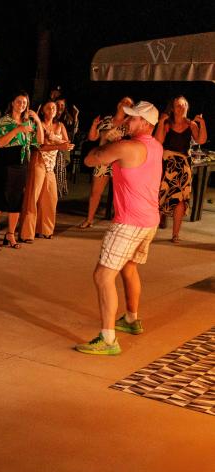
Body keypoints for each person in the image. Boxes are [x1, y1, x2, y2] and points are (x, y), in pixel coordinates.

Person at [76, 101, 163, 356]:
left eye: (133, 119)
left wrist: (107, 141)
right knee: (129, 267)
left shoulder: (127, 146)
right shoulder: (155, 146)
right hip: (149, 220)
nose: (127, 121)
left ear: (145, 124)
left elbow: (91, 160)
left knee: (103, 276)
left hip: (129, 222)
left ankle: (108, 339)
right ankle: (131, 319)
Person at [0, 92, 42, 250]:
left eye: (24, 102)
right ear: (12, 103)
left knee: (17, 199)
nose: (22, 104)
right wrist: (18, 130)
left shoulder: (28, 122)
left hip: (22, 162)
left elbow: (39, 141)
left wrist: (37, 120)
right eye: (19, 101)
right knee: (0, 196)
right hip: (5, 160)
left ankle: (10, 234)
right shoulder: (3, 121)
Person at [155, 97, 207, 243]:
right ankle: (150, 231)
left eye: (184, 105)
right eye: (178, 105)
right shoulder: (166, 123)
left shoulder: (191, 124)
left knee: (180, 201)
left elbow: (201, 140)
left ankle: (175, 234)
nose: (181, 107)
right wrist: (160, 123)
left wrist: (201, 124)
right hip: (166, 164)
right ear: (172, 108)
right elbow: (158, 141)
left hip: (183, 167)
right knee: (160, 197)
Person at [20, 101, 72, 242]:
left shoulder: (60, 126)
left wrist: (58, 144)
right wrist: (59, 145)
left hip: (51, 165)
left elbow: (67, 144)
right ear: (42, 110)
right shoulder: (39, 124)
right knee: (33, 197)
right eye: (48, 107)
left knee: (50, 197)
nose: (52, 109)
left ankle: (45, 229)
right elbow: (39, 147)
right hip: (39, 160)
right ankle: (27, 233)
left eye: (54, 107)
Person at [79, 97, 133, 229]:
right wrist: (94, 125)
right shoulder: (108, 119)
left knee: (120, 193)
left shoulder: (130, 123)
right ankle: (89, 219)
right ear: (118, 103)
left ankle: (120, 222)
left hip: (120, 161)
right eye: (123, 101)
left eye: (128, 103)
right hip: (103, 158)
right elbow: (93, 137)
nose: (124, 104)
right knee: (95, 191)